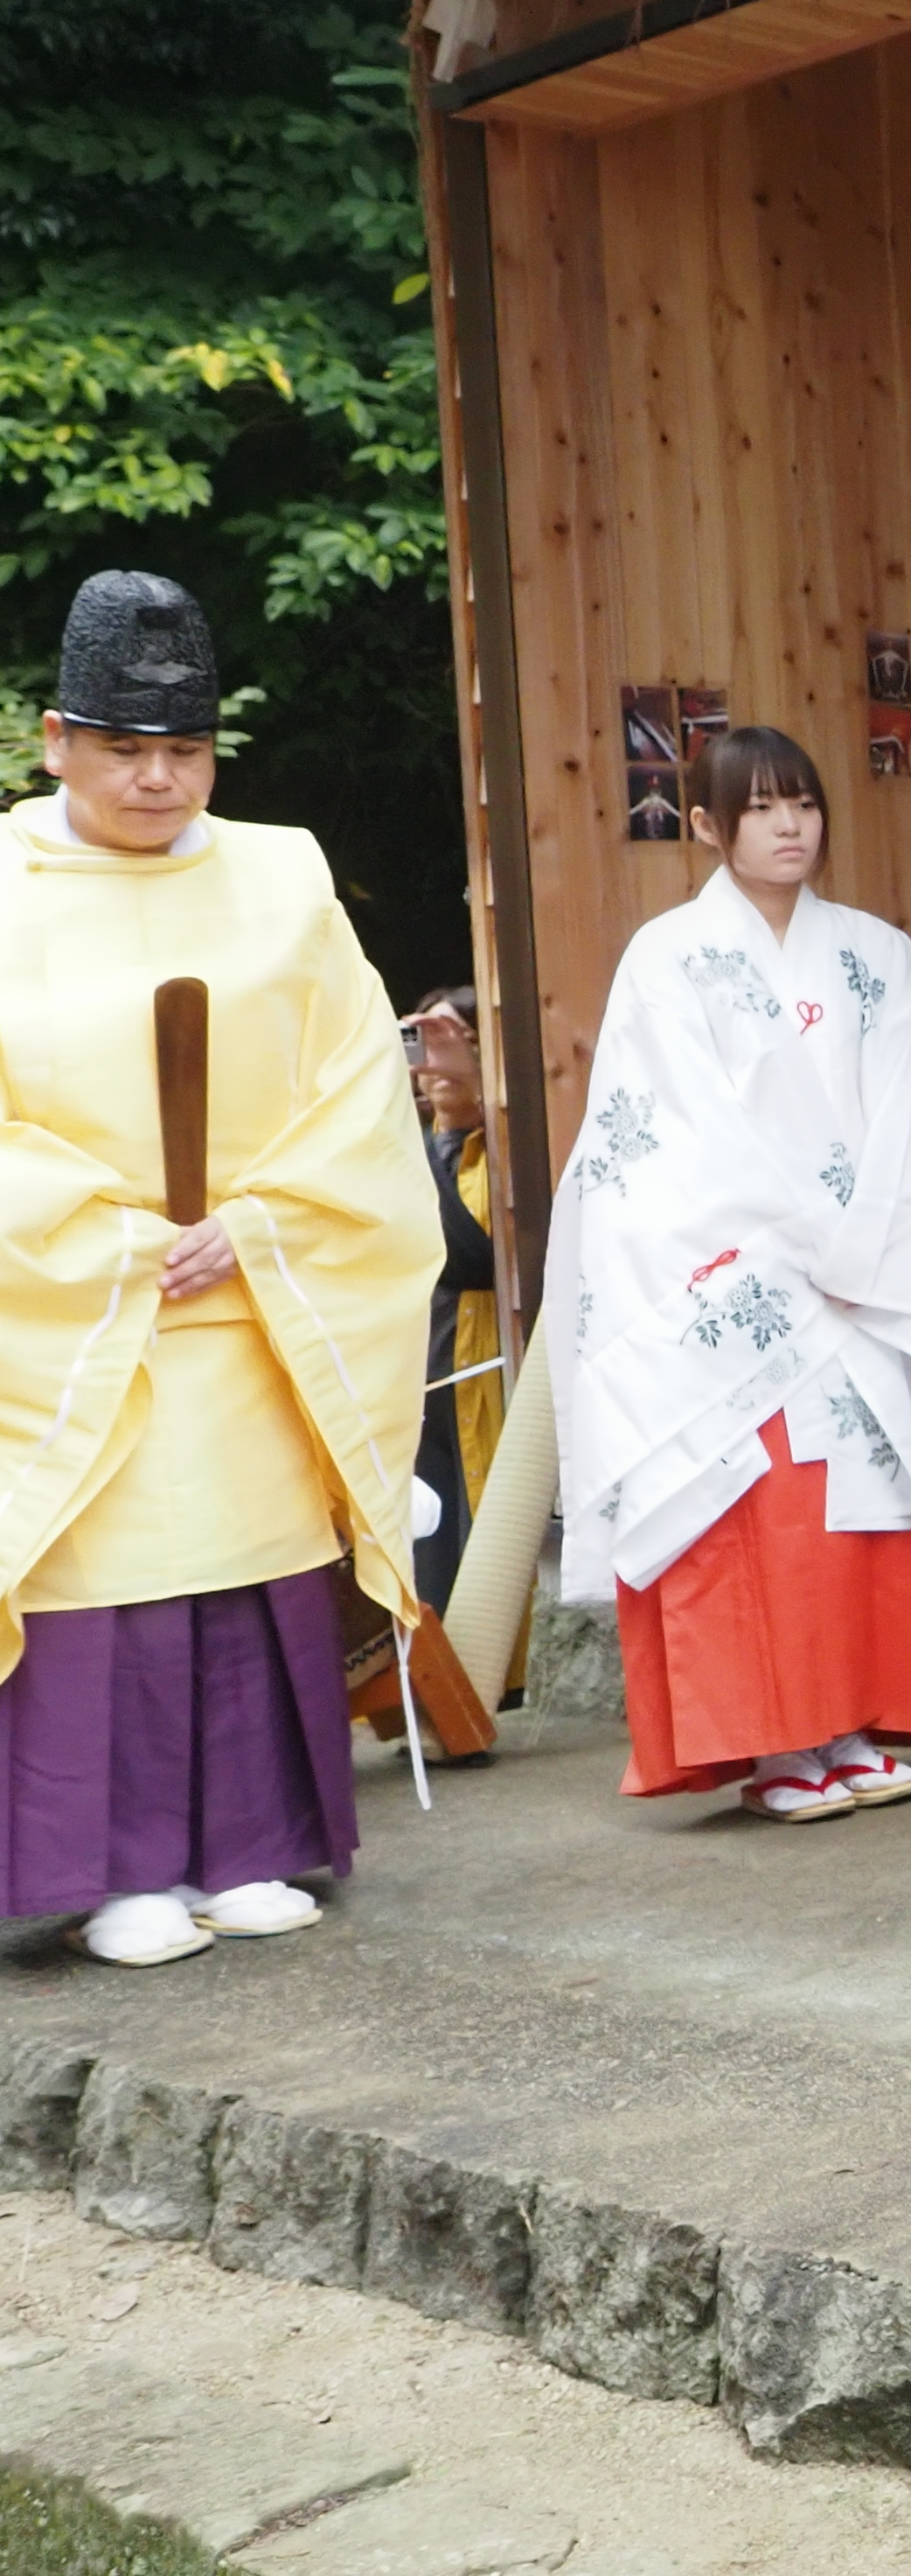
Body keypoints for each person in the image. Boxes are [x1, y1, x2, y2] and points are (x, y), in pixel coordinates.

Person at [0, 570, 442, 1965]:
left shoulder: (286, 876)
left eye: (183, 750)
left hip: (256, 1284)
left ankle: (253, 1845)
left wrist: (262, 1219)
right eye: (124, 747)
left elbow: (360, 1085)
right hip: (72, 1299)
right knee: (109, 1598)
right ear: (57, 739)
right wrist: (107, 1233)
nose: (156, 777)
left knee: (250, 1580)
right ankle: (119, 1872)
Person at [540, 726, 911, 1822]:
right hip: (745, 1280)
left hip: (869, 1270)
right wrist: (796, 1248)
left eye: (805, 805)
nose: (790, 826)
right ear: (706, 827)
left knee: (876, 1507)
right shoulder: (669, 958)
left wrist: (865, 1247)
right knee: (770, 1514)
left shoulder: (878, 953)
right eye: (761, 808)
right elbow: (674, 1131)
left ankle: (858, 1723)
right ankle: (780, 1745)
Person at [408, 988, 501, 1620]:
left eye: (456, 1039)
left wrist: (478, 1075)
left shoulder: (515, 1146)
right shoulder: (398, 1148)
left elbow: (473, 1258)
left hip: (489, 1375)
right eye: (424, 1043)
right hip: (415, 1385)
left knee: (489, 1548)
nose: (435, 1061)